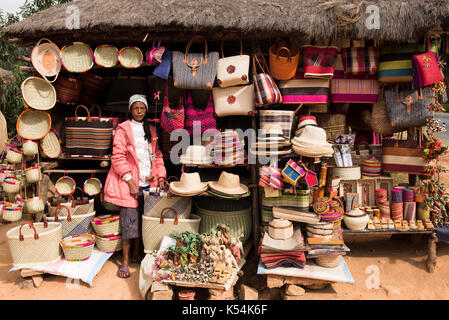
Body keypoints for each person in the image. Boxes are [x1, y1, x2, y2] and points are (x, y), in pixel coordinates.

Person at [104, 94, 166, 278]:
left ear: (146, 109)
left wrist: (161, 176)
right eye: (135, 107)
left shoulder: (152, 130)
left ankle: (138, 255)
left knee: (144, 222)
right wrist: (130, 181)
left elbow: (157, 155)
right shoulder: (123, 129)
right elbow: (117, 156)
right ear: (130, 110)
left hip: (149, 182)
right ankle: (124, 261)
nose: (139, 111)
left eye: (142, 107)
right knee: (129, 223)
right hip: (129, 183)